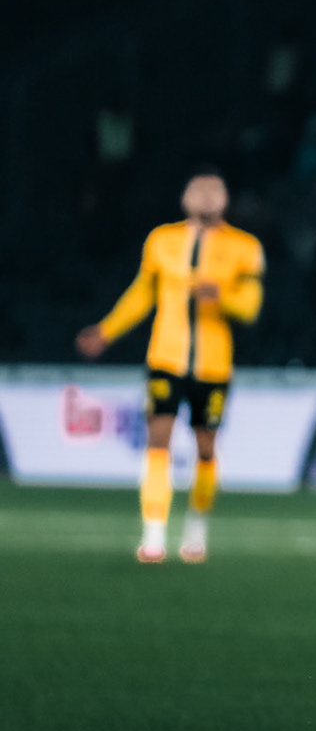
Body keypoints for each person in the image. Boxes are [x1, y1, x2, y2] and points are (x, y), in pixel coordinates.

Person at [76, 168, 265, 563]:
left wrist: (222, 297)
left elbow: (250, 307)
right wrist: (107, 331)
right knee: (157, 441)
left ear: (225, 200)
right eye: (199, 189)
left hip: (213, 365)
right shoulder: (162, 241)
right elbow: (141, 294)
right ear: (185, 198)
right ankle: (154, 534)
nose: (206, 197)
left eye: (215, 190)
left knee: (205, 447)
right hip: (166, 358)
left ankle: (196, 529)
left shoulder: (245, 247)